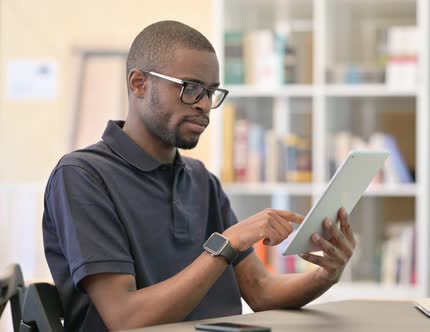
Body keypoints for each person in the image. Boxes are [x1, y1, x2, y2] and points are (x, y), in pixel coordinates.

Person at [42, 20, 356, 331]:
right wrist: (227, 244)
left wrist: (326, 274)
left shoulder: (201, 180)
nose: (205, 105)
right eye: (190, 89)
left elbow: (261, 291)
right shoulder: (82, 176)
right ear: (139, 83)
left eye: (211, 92)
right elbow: (125, 318)